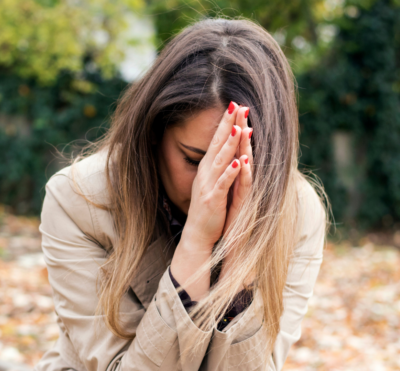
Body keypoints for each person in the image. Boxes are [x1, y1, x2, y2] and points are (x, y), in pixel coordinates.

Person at [35, 17, 331, 371]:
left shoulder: (297, 213)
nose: (212, 185)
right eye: (194, 159)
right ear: (154, 133)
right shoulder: (79, 200)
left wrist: (240, 258)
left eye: (239, 165)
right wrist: (196, 243)